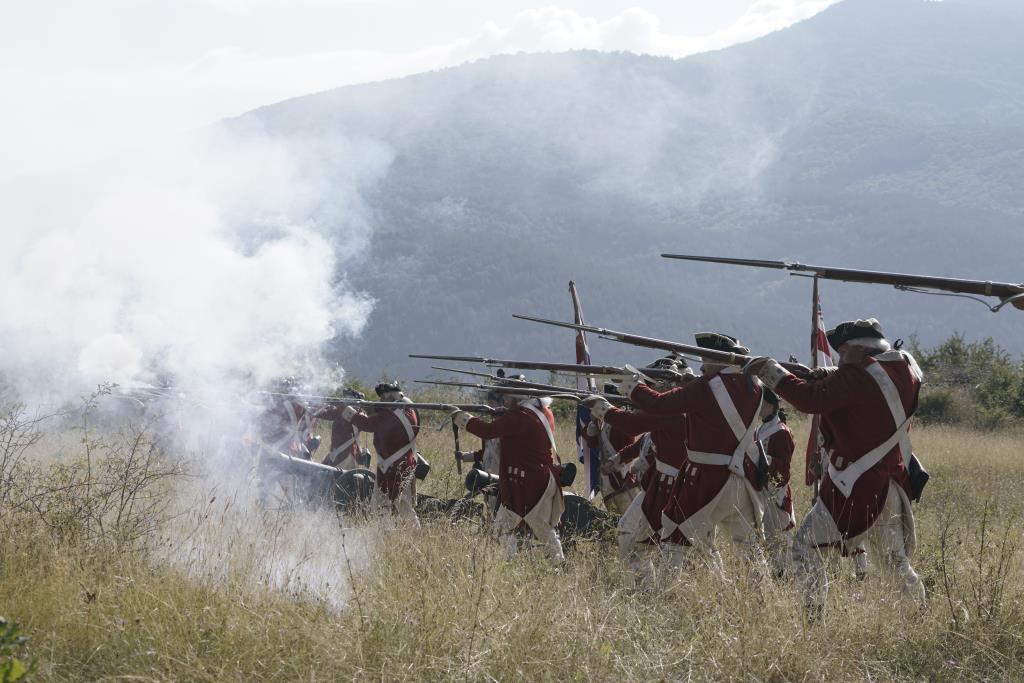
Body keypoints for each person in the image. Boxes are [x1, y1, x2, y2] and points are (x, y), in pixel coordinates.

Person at [743, 318, 926, 614]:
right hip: (890, 482)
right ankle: (918, 614)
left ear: (857, 351)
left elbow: (809, 399)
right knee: (896, 563)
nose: (840, 361)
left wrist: (769, 370)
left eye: (843, 354)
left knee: (804, 547)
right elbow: (856, 383)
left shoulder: (857, 376)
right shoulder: (905, 369)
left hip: (856, 486)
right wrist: (817, 372)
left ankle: (813, 616)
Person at [618, 333, 765, 572]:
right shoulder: (754, 386)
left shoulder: (708, 386)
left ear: (716, 359)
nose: (702, 366)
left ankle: (665, 598)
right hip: (741, 478)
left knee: (676, 541)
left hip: (705, 480)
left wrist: (632, 386)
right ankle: (763, 600)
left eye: (705, 360)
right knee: (749, 550)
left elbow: (660, 405)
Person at [585, 362, 693, 589]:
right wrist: (619, 459)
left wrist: (603, 408)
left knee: (674, 548)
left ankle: (658, 591)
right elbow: (646, 438)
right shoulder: (674, 407)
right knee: (634, 534)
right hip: (663, 484)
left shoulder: (670, 409)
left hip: (670, 486)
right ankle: (647, 588)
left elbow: (633, 426)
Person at [452, 391, 565, 565]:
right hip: (540, 479)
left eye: (508, 396)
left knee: (518, 528)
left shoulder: (518, 417)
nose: (504, 399)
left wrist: (462, 417)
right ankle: (551, 563)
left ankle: (518, 563)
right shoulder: (543, 412)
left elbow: (487, 431)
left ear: (518, 397)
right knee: (535, 527)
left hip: (525, 483)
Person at [340, 381, 420, 524]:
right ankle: (415, 531)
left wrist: (348, 410)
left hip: (391, 466)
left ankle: (386, 534)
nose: (381, 401)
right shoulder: (412, 410)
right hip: (408, 461)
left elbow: (368, 424)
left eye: (383, 398)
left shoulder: (390, 415)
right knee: (405, 506)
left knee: (382, 504)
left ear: (391, 396)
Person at [755, 388, 796, 577]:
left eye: (761, 403)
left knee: (779, 536)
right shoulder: (761, 428)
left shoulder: (781, 432)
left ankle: (784, 575)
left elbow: (783, 468)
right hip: (762, 489)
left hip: (775, 491)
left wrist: (763, 460)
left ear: (770, 405)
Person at [582, 384, 640, 515]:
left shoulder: (623, 418)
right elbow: (591, 443)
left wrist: (617, 465)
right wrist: (592, 423)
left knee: (627, 510)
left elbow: (629, 447)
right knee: (613, 511)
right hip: (606, 472)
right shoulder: (601, 420)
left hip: (620, 471)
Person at [316, 388, 371, 469]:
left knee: (331, 478)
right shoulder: (341, 412)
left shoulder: (358, 414)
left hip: (347, 455)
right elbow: (324, 413)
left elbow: (362, 420)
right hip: (338, 454)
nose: (345, 400)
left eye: (348, 398)